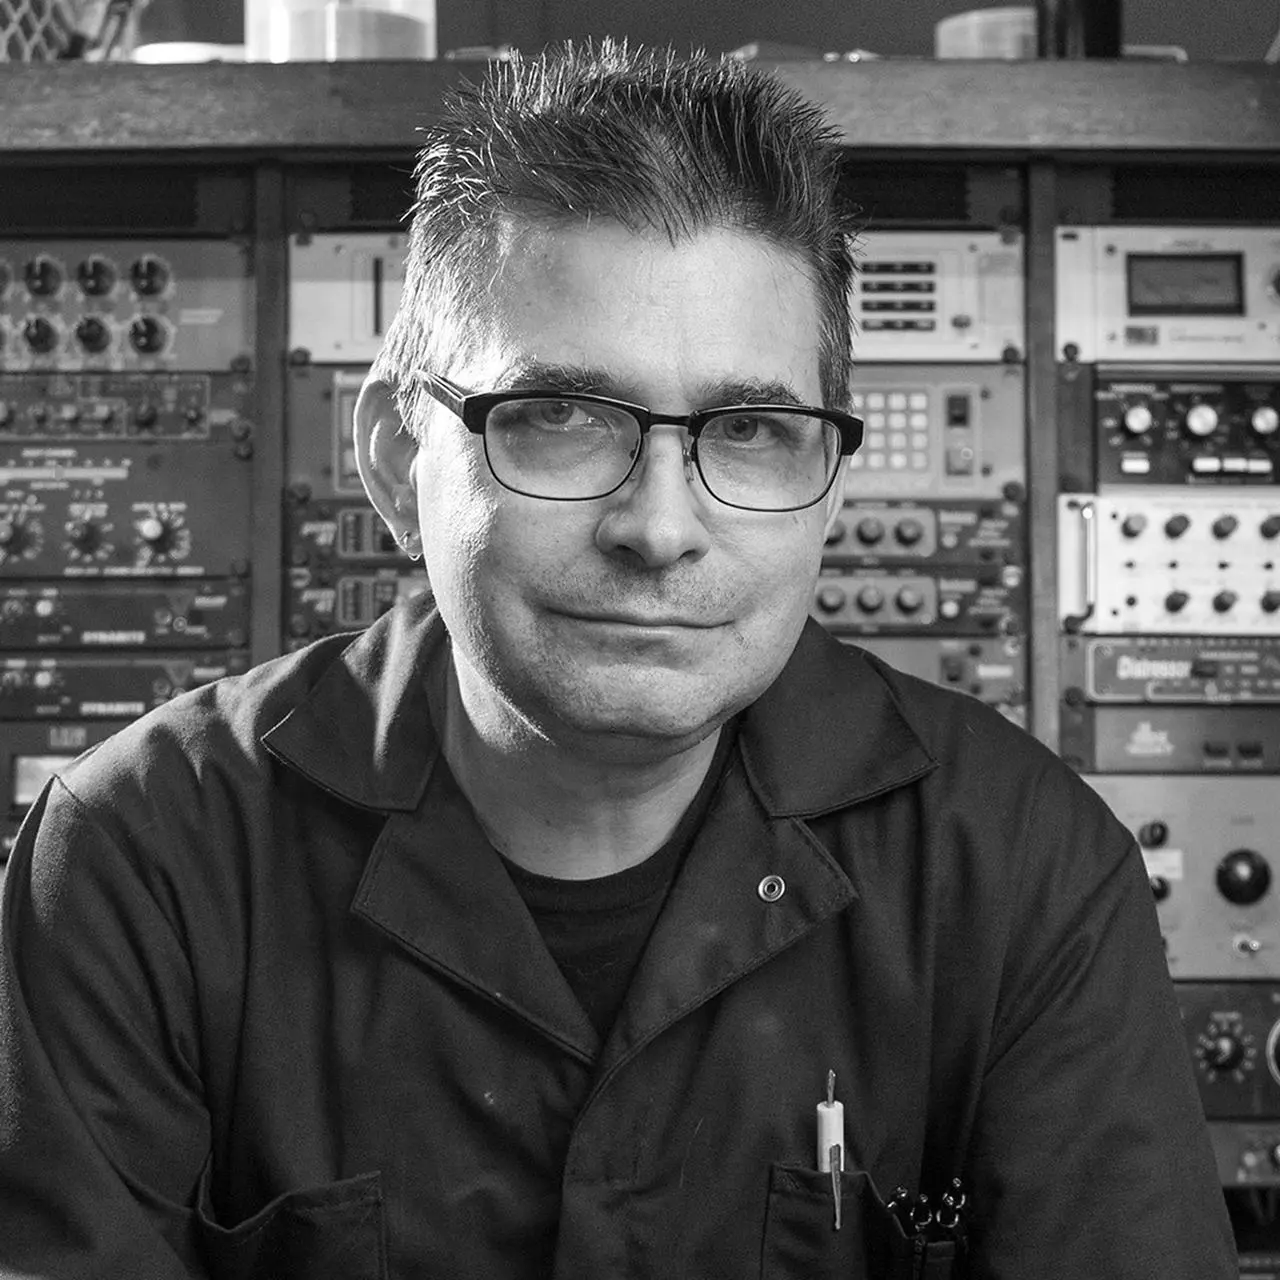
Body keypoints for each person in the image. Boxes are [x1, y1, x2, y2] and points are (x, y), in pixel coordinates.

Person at [0, 40, 1236, 1280]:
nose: (657, 526)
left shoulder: (1025, 877)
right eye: (559, 417)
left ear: (827, 489)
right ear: (393, 459)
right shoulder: (133, 863)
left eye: (747, 429)